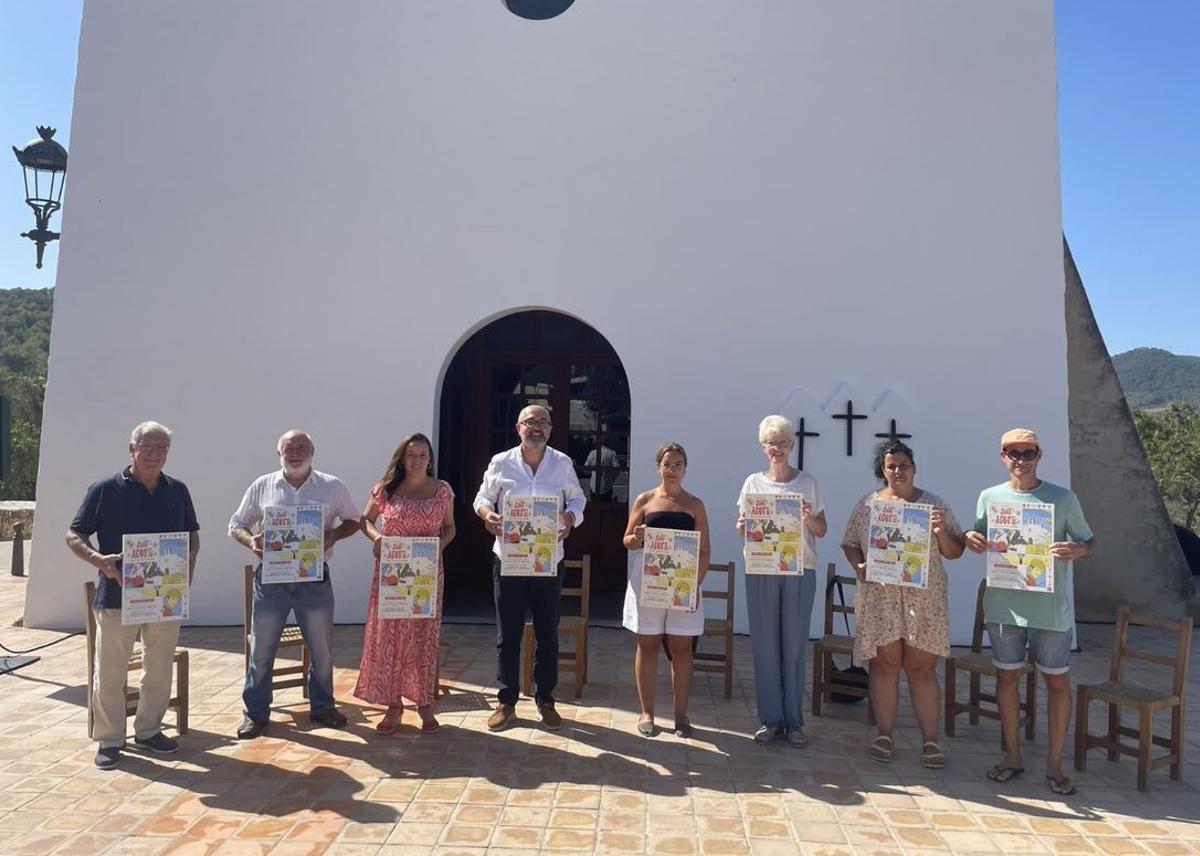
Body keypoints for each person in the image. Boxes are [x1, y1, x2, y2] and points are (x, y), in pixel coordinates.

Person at [965, 428, 1095, 795]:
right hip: (1005, 607)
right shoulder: (989, 497)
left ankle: (1054, 765)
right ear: (1002, 456)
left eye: (1028, 452)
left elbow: (1091, 541)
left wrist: (1079, 551)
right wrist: (970, 539)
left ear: (1040, 455)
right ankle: (1013, 757)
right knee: (1007, 680)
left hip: (1050, 610)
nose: (1021, 459)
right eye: (1013, 452)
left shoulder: (1063, 498)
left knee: (1056, 683)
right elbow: (978, 536)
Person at [65, 422, 200, 769]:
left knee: (158, 668)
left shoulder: (178, 490)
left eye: (162, 448)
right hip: (115, 597)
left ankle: (149, 730)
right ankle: (110, 739)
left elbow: (192, 536)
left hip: (164, 597)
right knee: (110, 671)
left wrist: (186, 574)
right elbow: (74, 535)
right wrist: (99, 560)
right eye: (148, 447)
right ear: (132, 449)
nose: (155, 454)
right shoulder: (104, 489)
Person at [229, 429, 361, 739]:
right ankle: (256, 714)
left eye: (302, 447)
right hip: (271, 579)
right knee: (261, 650)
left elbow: (354, 519)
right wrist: (251, 542)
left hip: (313, 578)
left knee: (322, 649)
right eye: (289, 448)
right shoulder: (262, 486)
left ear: (313, 452)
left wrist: (334, 534)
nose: (295, 452)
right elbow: (236, 525)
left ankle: (323, 706)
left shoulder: (332, 486)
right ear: (279, 454)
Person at [841, 439, 964, 767]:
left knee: (921, 668)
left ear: (914, 467)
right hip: (881, 597)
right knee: (884, 665)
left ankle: (930, 741)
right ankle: (884, 734)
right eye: (891, 465)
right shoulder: (868, 506)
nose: (898, 470)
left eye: (903, 464)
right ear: (882, 471)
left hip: (923, 600)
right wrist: (860, 566)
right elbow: (850, 543)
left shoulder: (933, 505)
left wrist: (939, 531)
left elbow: (955, 551)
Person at [473, 404, 586, 731]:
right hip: (509, 557)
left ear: (550, 429)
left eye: (544, 423)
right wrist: (487, 516)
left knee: (547, 633)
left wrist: (569, 517)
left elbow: (578, 500)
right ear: (518, 427)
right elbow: (481, 498)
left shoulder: (562, 463)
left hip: (549, 559)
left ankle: (545, 699)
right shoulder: (501, 462)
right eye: (531, 422)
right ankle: (506, 701)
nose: (537, 427)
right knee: (507, 633)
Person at [354, 433, 455, 734]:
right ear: (402, 457)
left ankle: (424, 703)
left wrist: (440, 546)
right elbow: (365, 520)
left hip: (425, 575)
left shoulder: (441, 490)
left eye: (423, 455)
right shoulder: (386, 489)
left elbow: (449, 528)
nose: (417, 460)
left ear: (430, 459)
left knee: (423, 639)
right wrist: (378, 538)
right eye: (412, 454)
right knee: (390, 640)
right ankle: (393, 704)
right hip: (392, 577)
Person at [736, 416, 826, 746]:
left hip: (801, 570)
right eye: (771, 443)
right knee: (764, 646)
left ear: (792, 445)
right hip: (761, 568)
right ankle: (771, 720)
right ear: (763, 447)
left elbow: (822, 529)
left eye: (783, 442)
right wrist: (743, 527)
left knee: (794, 645)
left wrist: (807, 516)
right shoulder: (752, 484)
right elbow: (743, 527)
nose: (777, 448)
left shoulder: (808, 483)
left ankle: (795, 722)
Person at [622, 442, 712, 738]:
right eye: (667, 464)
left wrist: (693, 587)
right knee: (647, 644)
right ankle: (647, 712)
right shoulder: (644, 500)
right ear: (658, 467)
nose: (672, 470)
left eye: (678, 465)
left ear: (685, 468)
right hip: (649, 583)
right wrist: (636, 538)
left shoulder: (695, 504)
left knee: (681, 648)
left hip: (682, 586)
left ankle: (681, 715)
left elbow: (704, 551)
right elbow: (627, 541)